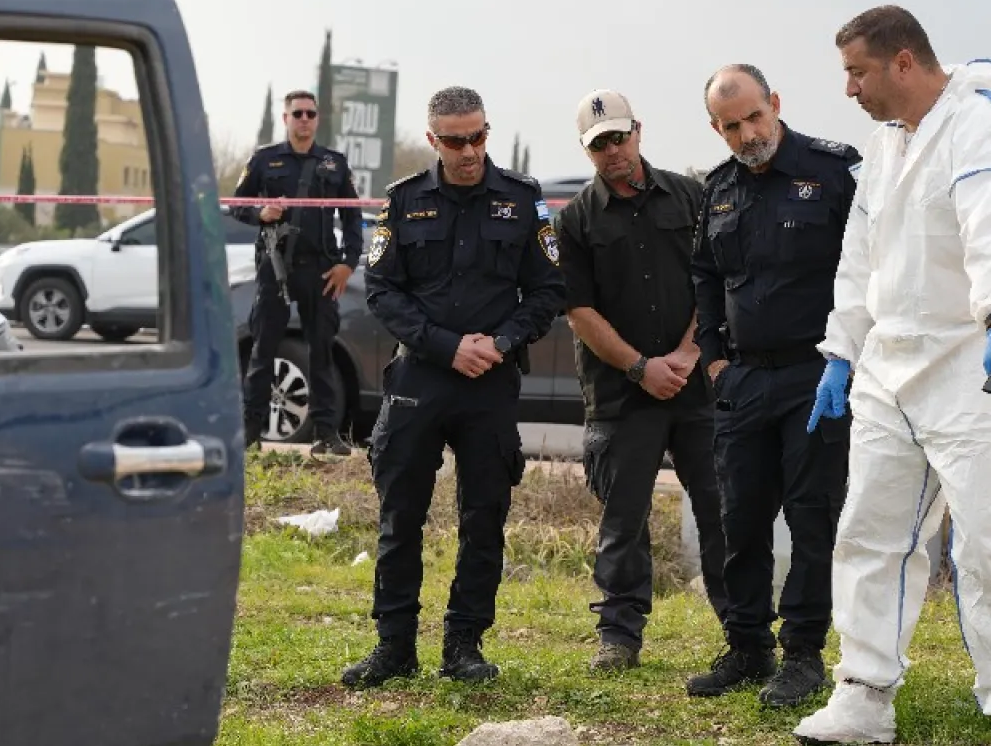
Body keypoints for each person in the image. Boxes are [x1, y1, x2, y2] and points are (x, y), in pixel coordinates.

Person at [795, 6, 991, 746]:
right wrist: (841, 351)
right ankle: (863, 695)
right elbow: (861, 252)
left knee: (990, 544)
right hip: (890, 365)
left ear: (903, 61)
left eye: (857, 72)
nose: (849, 89)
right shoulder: (886, 142)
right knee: (870, 532)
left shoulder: (977, 121)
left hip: (976, 360)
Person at [341, 85, 566, 689]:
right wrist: (447, 345)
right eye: (455, 141)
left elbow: (548, 290)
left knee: (484, 515)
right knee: (400, 516)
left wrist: (501, 342)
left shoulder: (521, 199)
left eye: (478, 137)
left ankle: (464, 646)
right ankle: (394, 646)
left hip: (490, 379)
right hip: (420, 376)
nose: (469, 151)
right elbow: (382, 290)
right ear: (433, 139)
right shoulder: (403, 201)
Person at [687, 64, 859, 707]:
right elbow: (705, 275)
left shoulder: (832, 171)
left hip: (817, 374)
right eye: (731, 126)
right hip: (743, 377)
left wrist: (850, 357)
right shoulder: (719, 187)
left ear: (775, 104)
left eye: (754, 118)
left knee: (811, 517)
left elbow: (867, 266)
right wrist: (712, 360)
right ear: (717, 128)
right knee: (741, 516)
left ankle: (804, 655)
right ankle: (747, 646)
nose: (747, 135)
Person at [553, 89, 728, 673]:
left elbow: (714, 279)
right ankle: (619, 636)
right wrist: (639, 367)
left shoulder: (691, 196)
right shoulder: (575, 220)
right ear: (587, 150)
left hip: (696, 386)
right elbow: (579, 311)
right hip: (620, 395)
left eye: (619, 137)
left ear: (638, 132)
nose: (612, 151)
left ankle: (744, 633)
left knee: (721, 510)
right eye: (599, 144)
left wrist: (687, 352)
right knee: (622, 520)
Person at [230, 89, 363, 456]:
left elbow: (353, 217)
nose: (305, 119)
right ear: (285, 118)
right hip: (275, 268)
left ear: (317, 119)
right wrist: (260, 214)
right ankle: (250, 433)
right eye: (298, 113)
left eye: (310, 114)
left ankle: (326, 434)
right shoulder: (264, 160)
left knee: (321, 352)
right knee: (263, 350)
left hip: (321, 270)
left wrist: (348, 264)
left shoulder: (334, 163)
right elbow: (236, 204)